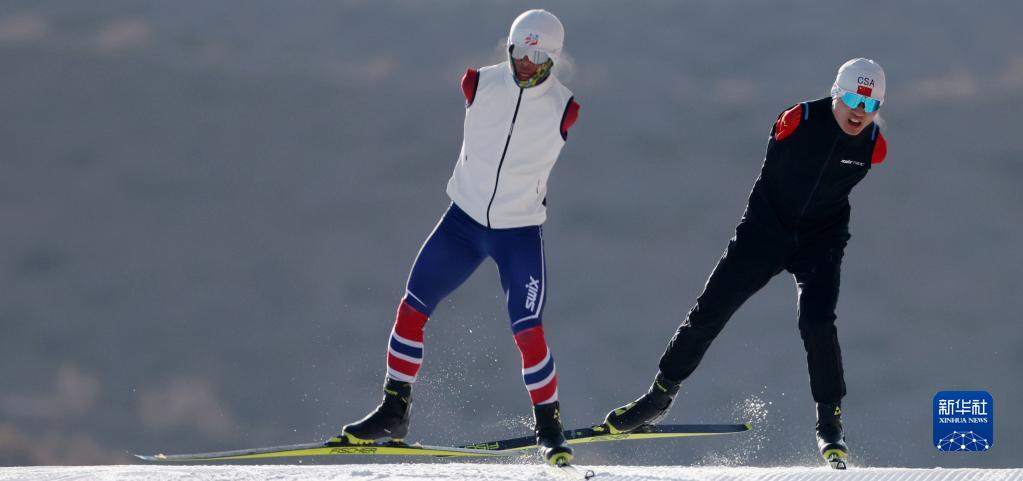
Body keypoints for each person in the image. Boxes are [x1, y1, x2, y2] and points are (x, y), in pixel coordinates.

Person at [602, 58, 888, 470]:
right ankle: (659, 396)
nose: (859, 110)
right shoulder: (799, 119)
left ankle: (830, 424)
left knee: (818, 323)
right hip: (765, 233)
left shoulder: (873, 145)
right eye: (851, 98)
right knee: (710, 311)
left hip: (820, 240)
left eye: (870, 102)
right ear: (835, 93)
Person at [334, 9, 581, 466]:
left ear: (552, 58)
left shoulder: (563, 107)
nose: (525, 61)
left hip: (518, 234)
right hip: (462, 224)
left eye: (537, 54)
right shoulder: (479, 84)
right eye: (519, 50)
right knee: (412, 308)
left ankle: (549, 427)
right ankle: (394, 410)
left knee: (528, 330)